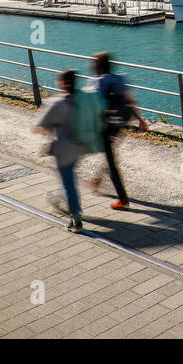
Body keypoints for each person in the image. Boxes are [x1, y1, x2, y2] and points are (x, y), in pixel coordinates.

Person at [36, 69, 98, 232]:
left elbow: (42, 127)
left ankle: (76, 218)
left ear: (62, 83)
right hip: (80, 146)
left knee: (69, 182)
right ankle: (63, 200)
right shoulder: (83, 100)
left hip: (64, 149)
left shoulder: (57, 103)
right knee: (69, 179)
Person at [88, 52, 147, 210]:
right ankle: (97, 180)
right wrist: (140, 119)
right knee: (109, 152)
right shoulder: (121, 78)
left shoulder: (97, 82)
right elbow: (130, 101)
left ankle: (123, 199)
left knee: (110, 158)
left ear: (97, 66)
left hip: (105, 124)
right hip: (120, 122)